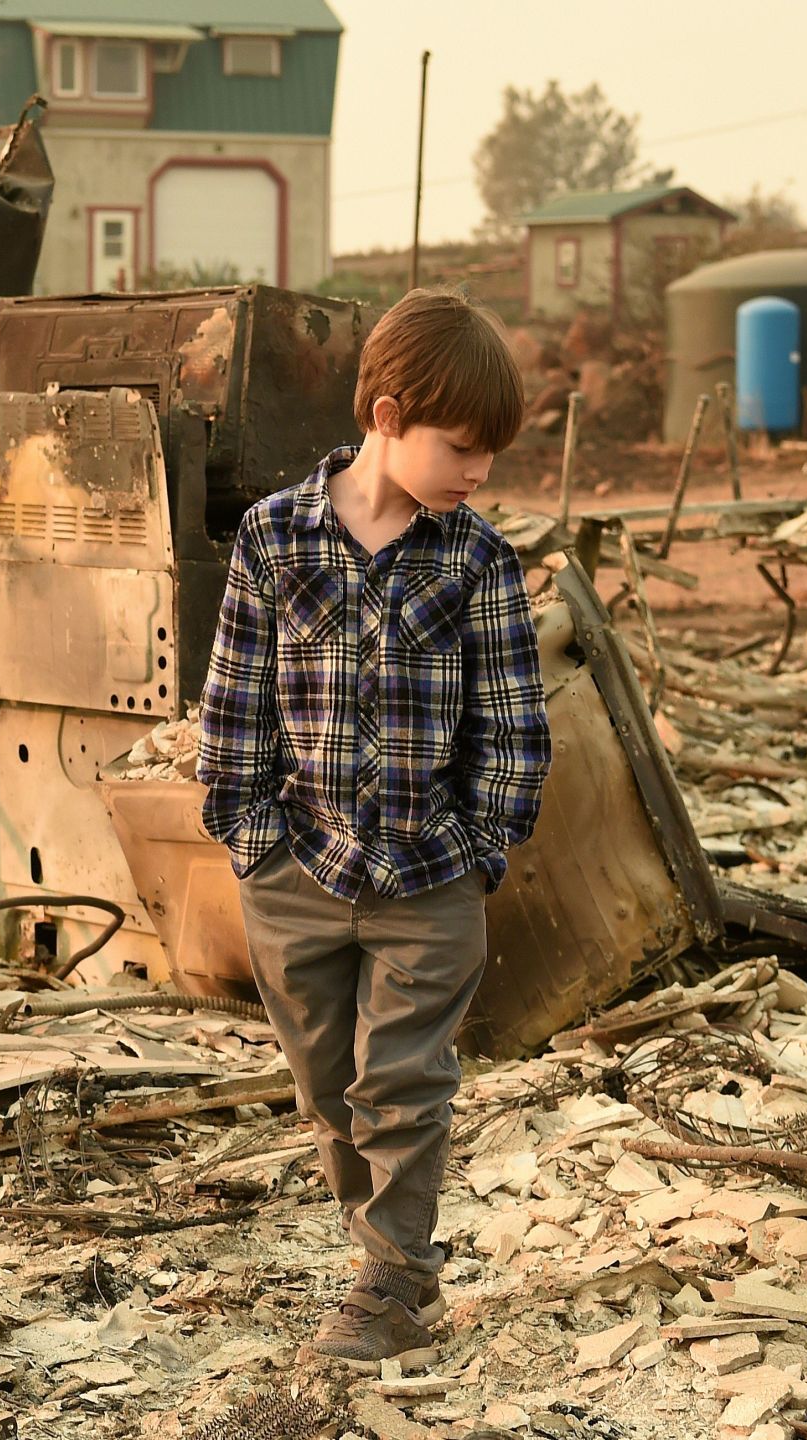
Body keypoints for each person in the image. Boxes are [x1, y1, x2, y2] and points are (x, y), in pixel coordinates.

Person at [195, 288, 553, 1372]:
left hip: (428, 879)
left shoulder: (477, 562)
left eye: (492, 453)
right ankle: (376, 1249)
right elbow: (234, 705)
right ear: (388, 415)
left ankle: (394, 1278)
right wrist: (249, 837)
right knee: (324, 1084)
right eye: (463, 447)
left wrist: (482, 848)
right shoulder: (275, 536)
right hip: (296, 870)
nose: (478, 472)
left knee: (401, 1081)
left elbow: (514, 728)